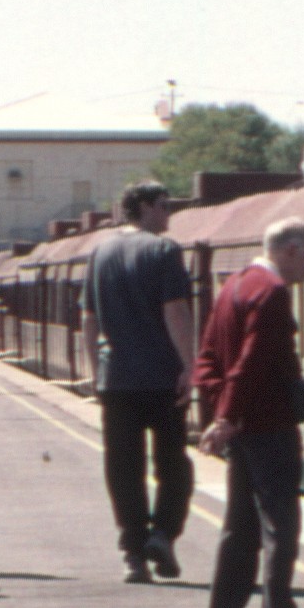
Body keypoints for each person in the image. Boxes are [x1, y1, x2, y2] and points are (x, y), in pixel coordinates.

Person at [194, 218, 304, 608]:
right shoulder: (270, 293)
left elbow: (208, 360)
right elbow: (247, 365)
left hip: (247, 429)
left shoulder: (233, 287)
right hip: (270, 428)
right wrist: (229, 416)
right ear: (289, 250)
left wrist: (223, 413)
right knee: (280, 532)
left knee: (240, 533)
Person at [89, 180, 198, 583]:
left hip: (115, 379)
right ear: (147, 208)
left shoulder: (100, 252)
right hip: (161, 378)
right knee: (173, 464)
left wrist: (95, 370)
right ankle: (164, 535)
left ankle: (132, 553)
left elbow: (89, 318)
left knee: (123, 467)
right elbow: (176, 312)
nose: (169, 214)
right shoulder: (164, 250)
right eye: (165, 206)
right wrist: (190, 366)